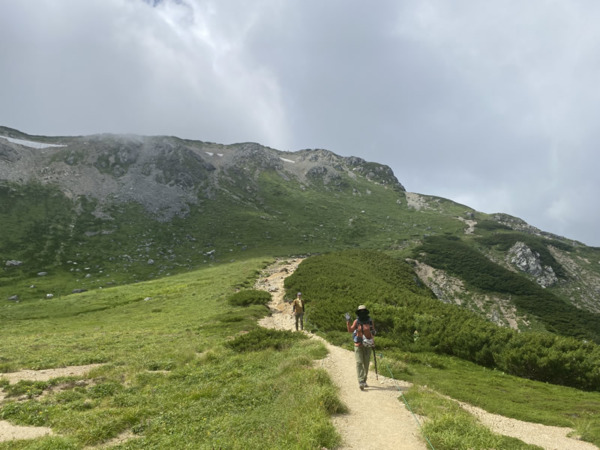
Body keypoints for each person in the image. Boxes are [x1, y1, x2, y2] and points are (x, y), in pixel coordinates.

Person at [345, 305, 375, 390]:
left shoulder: (370, 321)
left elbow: (373, 332)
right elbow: (350, 330)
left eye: (363, 311)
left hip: (368, 346)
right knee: (359, 362)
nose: (362, 313)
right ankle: (361, 381)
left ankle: (364, 380)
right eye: (360, 311)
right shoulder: (356, 321)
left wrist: (373, 342)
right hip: (358, 345)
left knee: (366, 364)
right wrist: (348, 321)